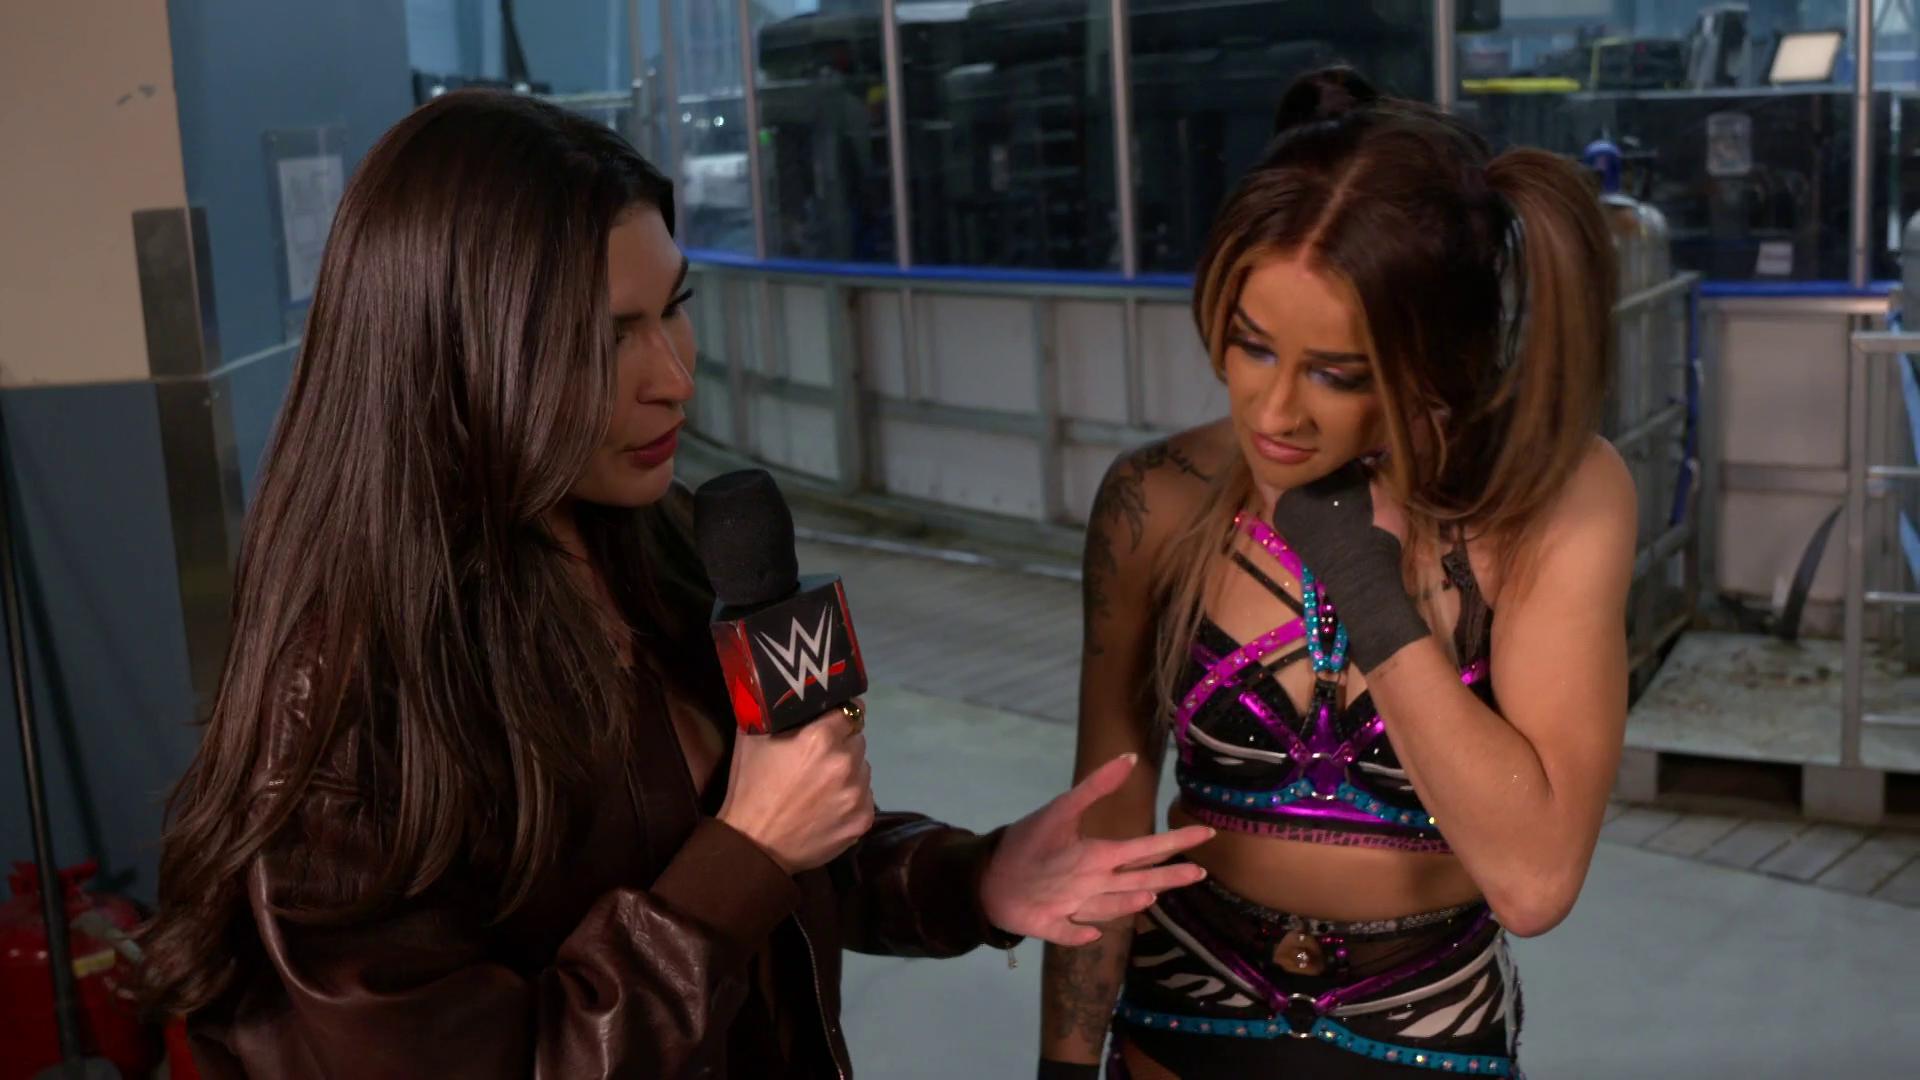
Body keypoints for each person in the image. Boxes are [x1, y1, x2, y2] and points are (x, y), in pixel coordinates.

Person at [136, 89, 1213, 1079]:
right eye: (608, 338)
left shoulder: (676, 539)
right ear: (460, 356)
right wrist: (741, 856)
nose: (674, 376)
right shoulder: (345, 700)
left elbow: (800, 848)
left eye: (675, 306)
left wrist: (969, 880)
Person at [1038, 67, 1636, 1079]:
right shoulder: (1158, 499)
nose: (1276, 413)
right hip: (1181, 1017)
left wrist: (1366, 584)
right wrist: (1062, 1067)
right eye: (1251, 346)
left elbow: (1534, 881)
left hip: (1428, 1028)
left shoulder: (1553, 497)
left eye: (1336, 374)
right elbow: (1106, 820)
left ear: (1436, 359)